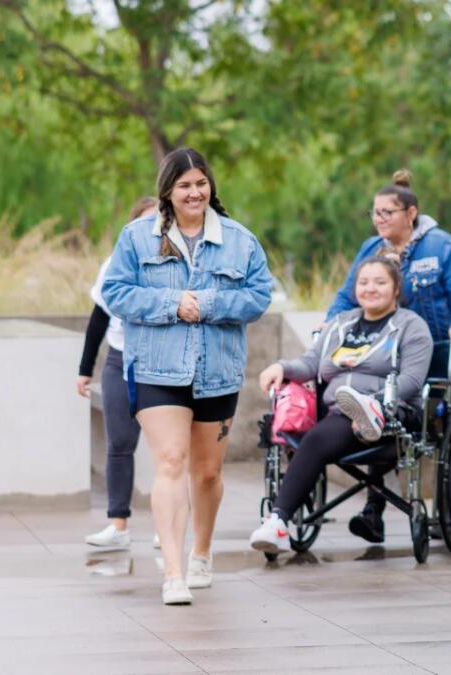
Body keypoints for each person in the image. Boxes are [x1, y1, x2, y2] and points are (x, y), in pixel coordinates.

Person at [102, 148, 273, 605]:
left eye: (200, 183)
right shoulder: (138, 237)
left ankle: (202, 551)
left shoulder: (240, 240)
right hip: (157, 367)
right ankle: (173, 574)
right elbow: (114, 291)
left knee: (208, 473)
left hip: (217, 372)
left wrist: (211, 304)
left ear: (210, 187)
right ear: (168, 191)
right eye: (184, 185)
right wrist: (172, 304)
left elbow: (259, 296)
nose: (194, 192)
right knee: (171, 462)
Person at [325, 170, 451, 543]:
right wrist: (329, 328)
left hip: (436, 355)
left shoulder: (442, 247)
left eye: (387, 213)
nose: (379, 220)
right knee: (381, 418)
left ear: (411, 213)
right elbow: (348, 296)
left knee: (443, 430)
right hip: (382, 355)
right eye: (375, 213)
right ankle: (373, 510)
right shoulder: (369, 249)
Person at [250, 257, 433, 554]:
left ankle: (278, 520)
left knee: (324, 434)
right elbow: (311, 363)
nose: (370, 288)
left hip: (395, 412)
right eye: (363, 282)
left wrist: (377, 401)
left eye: (380, 282)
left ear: (396, 288)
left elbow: (412, 379)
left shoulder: (411, 327)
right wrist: (281, 367)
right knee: (323, 431)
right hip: (342, 413)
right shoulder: (340, 323)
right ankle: (363, 417)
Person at [79, 197, 159, 550]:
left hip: (159, 364)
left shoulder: (171, 263)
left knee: (167, 451)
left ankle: (166, 528)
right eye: (143, 222)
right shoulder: (114, 264)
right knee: (120, 445)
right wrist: (84, 370)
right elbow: (99, 318)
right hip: (118, 361)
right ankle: (118, 526)